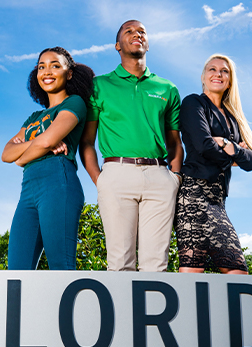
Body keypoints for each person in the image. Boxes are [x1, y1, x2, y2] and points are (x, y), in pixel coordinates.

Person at [79, 20, 184, 272]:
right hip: (116, 173)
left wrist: (175, 177)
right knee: (120, 262)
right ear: (117, 45)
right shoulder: (98, 85)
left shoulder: (167, 88)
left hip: (160, 176)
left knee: (156, 264)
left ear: (147, 43)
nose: (137, 34)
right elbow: (87, 141)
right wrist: (99, 180)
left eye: (142, 32)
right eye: (129, 31)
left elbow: (175, 142)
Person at [2, 47, 94, 270]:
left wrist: (23, 157)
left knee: (60, 266)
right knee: (16, 271)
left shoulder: (74, 103)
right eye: (41, 66)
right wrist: (41, 142)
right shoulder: (34, 117)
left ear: (69, 73)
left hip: (58, 183)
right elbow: (6, 154)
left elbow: (44, 143)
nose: (47, 71)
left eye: (55, 65)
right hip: (28, 192)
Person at [175, 54, 252, 274]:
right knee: (207, 272)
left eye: (224, 71)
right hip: (193, 194)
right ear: (203, 77)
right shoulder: (193, 103)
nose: (218, 74)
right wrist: (235, 154)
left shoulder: (234, 118)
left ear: (230, 80)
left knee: (221, 272)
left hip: (218, 199)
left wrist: (224, 143)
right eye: (212, 69)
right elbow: (203, 146)